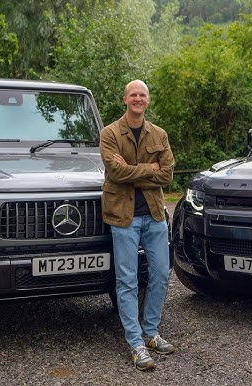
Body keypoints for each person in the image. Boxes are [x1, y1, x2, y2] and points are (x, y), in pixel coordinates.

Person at [99, 79, 175, 371]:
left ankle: (152, 332)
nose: (138, 99)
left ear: (148, 100)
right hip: (123, 217)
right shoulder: (109, 133)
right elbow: (115, 173)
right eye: (133, 95)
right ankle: (136, 344)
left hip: (155, 215)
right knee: (127, 281)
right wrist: (149, 168)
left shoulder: (159, 134)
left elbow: (167, 174)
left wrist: (135, 171)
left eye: (142, 95)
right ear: (125, 99)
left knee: (160, 276)